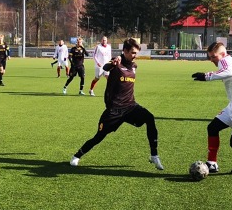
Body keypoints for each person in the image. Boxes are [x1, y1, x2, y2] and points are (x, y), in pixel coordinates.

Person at [70, 38, 163, 170]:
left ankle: (154, 155)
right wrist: (114, 61)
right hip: (114, 110)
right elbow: (105, 67)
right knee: (99, 136)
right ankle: (77, 155)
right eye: (132, 52)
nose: (135, 55)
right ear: (125, 51)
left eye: (136, 53)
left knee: (150, 118)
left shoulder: (134, 66)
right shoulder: (116, 62)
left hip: (130, 106)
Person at [192, 42, 232, 174]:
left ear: (222, 54)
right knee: (213, 127)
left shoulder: (225, 61)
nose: (212, 60)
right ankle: (212, 163)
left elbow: (229, 72)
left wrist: (206, 76)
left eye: (214, 57)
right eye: (210, 57)